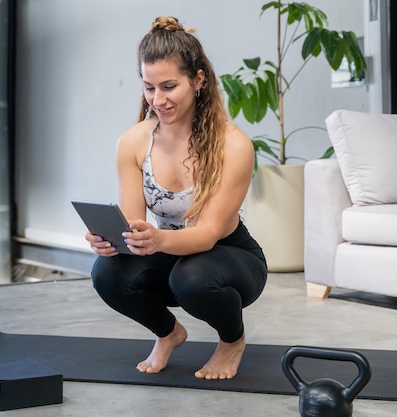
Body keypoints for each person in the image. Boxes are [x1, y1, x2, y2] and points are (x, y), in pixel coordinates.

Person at [86, 16, 267, 380]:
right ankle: (169, 334)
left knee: (192, 277)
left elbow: (208, 233)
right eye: (149, 88)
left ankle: (232, 340)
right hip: (168, 252)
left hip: (229, 258)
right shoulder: (133, 142)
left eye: (169, 86)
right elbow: (134, 223)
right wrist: (114, 239)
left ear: (198, 80)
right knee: (106, 273)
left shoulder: (234, 145)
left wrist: (157, 240)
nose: (158, 100)